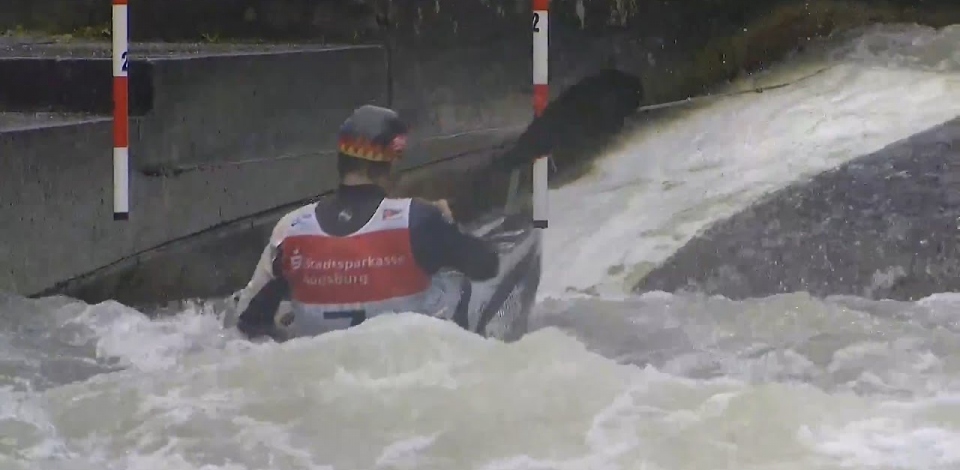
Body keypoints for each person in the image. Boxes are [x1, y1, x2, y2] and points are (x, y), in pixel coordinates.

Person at [234, 104, 501, 341]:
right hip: (407, 365)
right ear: (392, 166)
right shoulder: (418, 219)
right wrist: (448, 225)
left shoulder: (291, 229)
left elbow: (248, 321)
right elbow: (488, 266)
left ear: (341, 161)